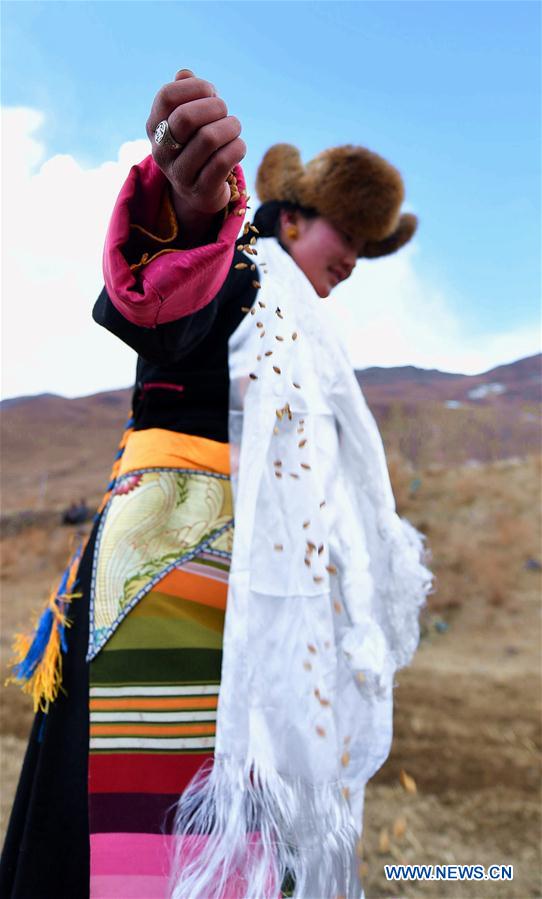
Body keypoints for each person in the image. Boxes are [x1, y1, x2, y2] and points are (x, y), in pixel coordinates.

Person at [1, 69, 432, 899]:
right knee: (134, 844)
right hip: (170, 581)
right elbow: (162, 300)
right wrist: (187, 216)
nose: (352, 261)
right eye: (347, 237)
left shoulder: (312, 328)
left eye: (368, 252)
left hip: (261, 603)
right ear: (293, 217)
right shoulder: (235, 262)